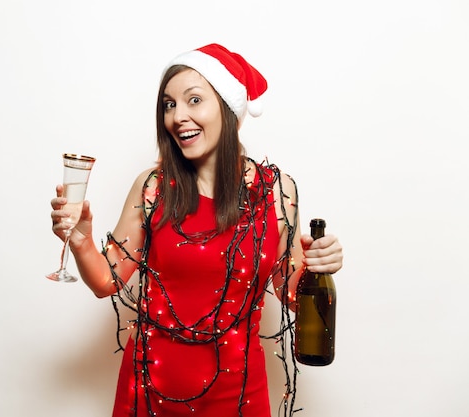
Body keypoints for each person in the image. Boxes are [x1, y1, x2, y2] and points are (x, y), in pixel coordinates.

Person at [49, 43, 343, 417]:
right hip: (149, 394)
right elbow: (106, 281)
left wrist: (320, 265)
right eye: (169, 105)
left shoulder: (277, 192)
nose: (178, 116)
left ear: (228, 108)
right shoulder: (153, 187)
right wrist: (80, 239)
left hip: (239, 399)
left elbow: (291, 293)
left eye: (193, 100)